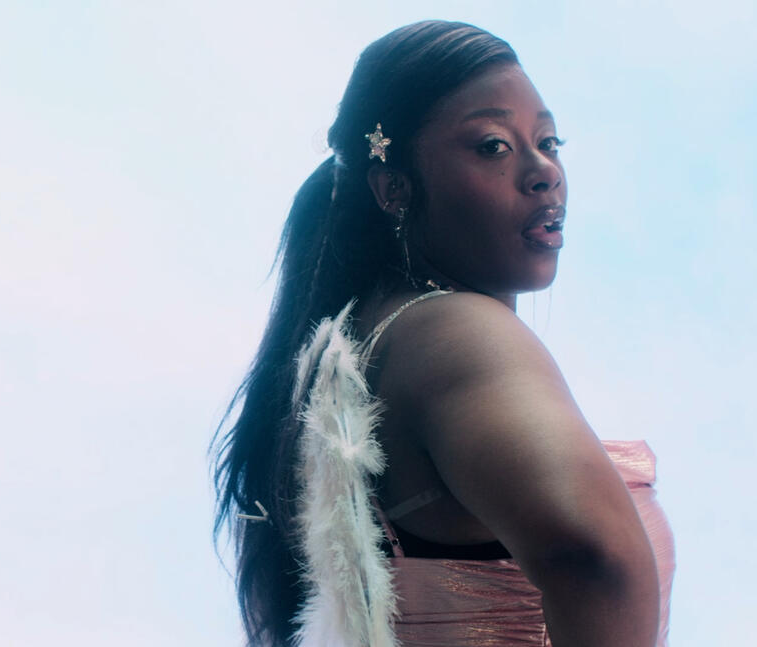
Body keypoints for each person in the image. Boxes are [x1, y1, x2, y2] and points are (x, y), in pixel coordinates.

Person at [213, 20, 674, 647]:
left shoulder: (367, 345)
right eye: (493, 146)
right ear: (395, 188)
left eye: (549, 141)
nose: (544, 172)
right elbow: (595, 560)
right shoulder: (454, 332)